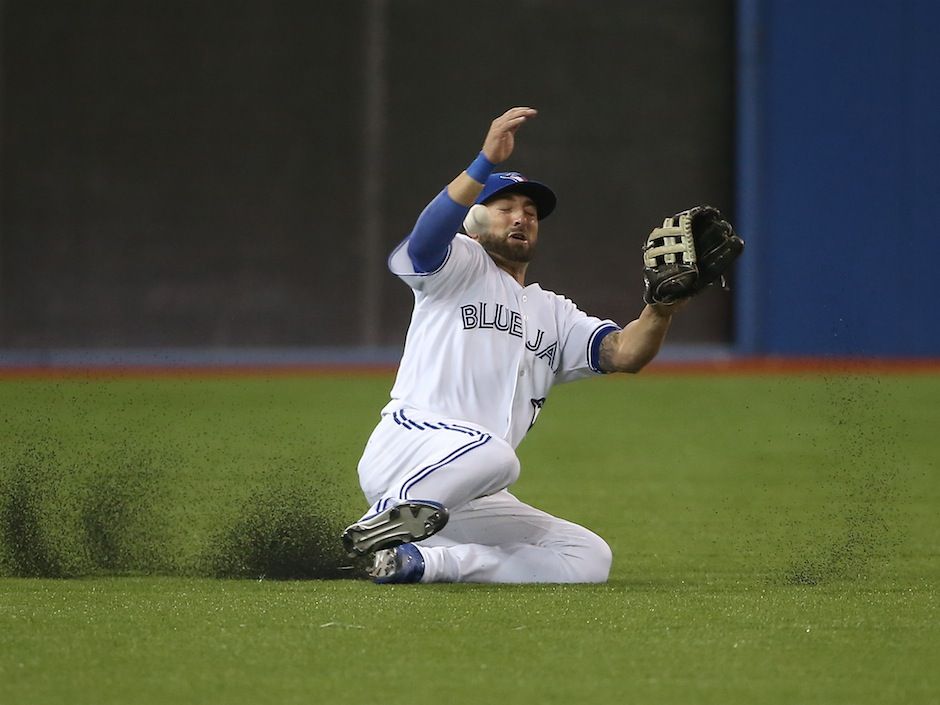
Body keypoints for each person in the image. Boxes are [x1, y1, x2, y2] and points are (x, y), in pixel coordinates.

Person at [341, 106, 686, 584]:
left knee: (587, 556)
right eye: (506, 209)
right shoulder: (456, 266)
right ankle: (378, 522)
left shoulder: (554, 312)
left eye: (530, 212)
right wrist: (483, 163)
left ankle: (415, 562)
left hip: (468, 490)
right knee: (499, 454)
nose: (521, 218)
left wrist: (660, 307)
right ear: (475, 221)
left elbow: (625, 353)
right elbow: (424, 239)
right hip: (413, 446)